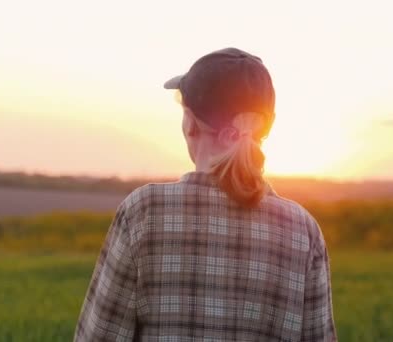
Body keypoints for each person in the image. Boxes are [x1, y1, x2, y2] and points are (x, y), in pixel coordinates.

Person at [74, 47, 336, 341]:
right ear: (265, 128)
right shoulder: (303, 230)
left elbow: (99, 337)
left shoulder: (143, 212)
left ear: (190, 124)